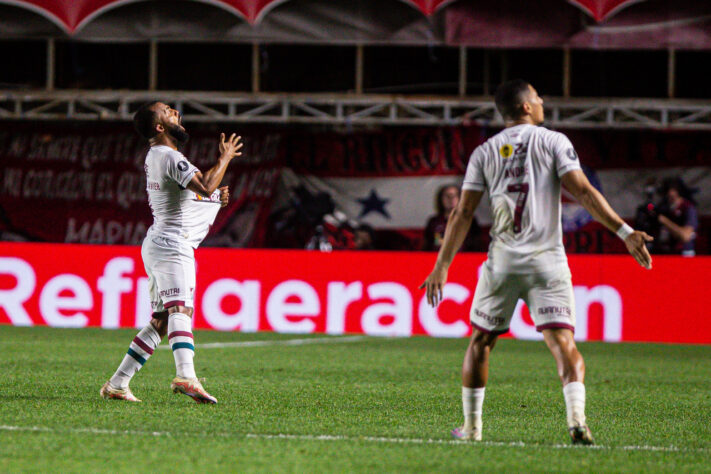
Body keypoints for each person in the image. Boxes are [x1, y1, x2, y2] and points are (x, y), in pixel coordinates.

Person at [420, 79, 653, 445]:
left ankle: (472, 429)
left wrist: (442, 265)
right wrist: (625, 232)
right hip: (548, 262)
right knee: (563, 342)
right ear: (526, 107)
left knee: (481, 341)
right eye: (537, 97)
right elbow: (584, 192)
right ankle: (577, 419)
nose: (542, 101)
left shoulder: (484, 151)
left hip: (503, 263)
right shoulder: (554, 141)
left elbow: (462, 212)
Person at [100, 101, 243, 403]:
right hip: (172, 245)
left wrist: (215, 197)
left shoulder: (163, 157)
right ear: (160, 127)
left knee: (162, 321)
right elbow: (203, 185)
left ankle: (117, 384)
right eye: (168, 111)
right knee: (182, 310)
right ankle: (186, 376)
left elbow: (192, 195)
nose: (176, 112)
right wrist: (225, 158)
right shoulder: (166, 156)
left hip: (161, 243)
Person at [423, 185, 481, 252]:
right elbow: (427, 246)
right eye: (447, 196)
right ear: (441, 199)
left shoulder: (470, 221)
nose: (451, 199)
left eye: (454, 196)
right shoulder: (434, 222)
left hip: (464, 260)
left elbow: (476, 246)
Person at [656, 178, 698, 256]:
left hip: (684, 253)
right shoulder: (665, 209)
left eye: (673, 192)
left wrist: (665, 221)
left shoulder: (688, 208)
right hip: (667, 253)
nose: (670, 195)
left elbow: (685, 236)